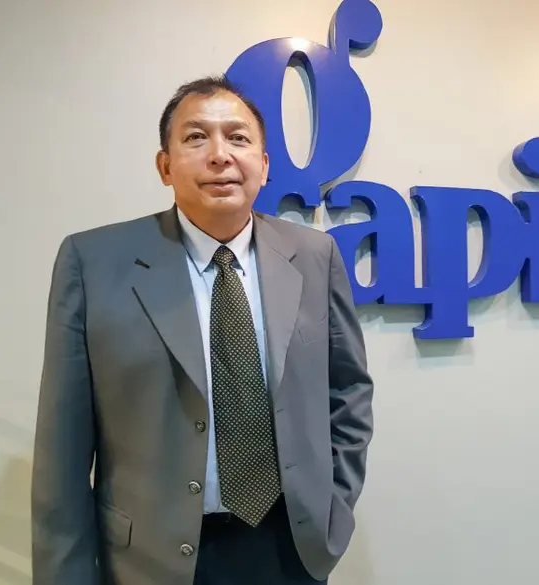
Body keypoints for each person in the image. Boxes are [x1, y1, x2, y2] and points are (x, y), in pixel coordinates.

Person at [30, 75, 374, 585]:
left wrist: (334, 508)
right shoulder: (93, 262)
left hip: (291, 549)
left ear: (264, 164)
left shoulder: (313, 255)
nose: (220, 155)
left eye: (238, 138)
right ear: (165, 166)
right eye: (196, 137)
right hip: (150, 561)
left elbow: (347, 391)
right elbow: (62, 447)